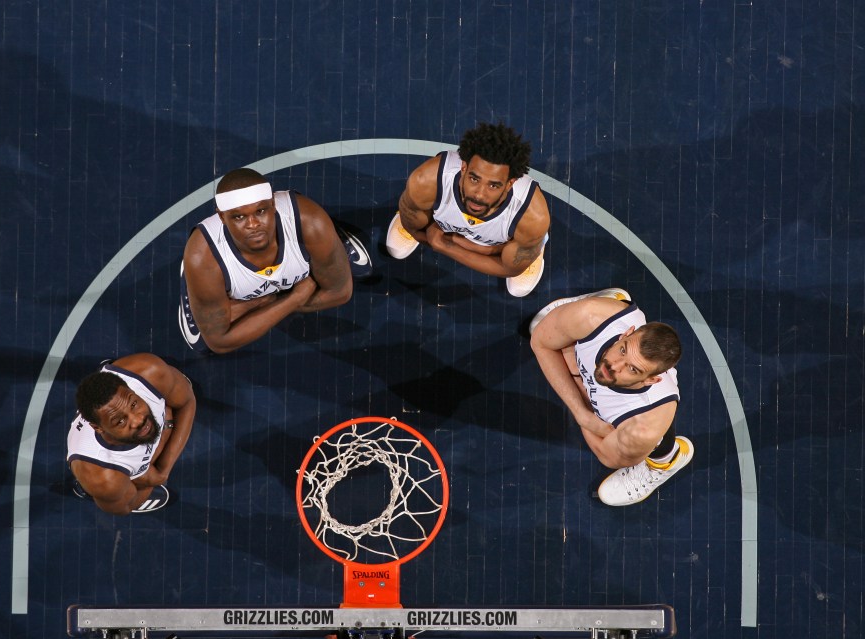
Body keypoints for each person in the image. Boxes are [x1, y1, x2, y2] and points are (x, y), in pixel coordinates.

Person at [529, 288, 694, 506]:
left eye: (632, 369)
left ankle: (666, 461)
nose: (613, 366)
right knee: (552, 326)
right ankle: (613, 301)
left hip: (642, 421)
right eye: (623, 350)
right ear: (627, 333)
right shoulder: (592, 316)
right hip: (601, 318)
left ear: (650, 380)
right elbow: (540, 342)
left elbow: (605, 454)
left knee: (650, 444)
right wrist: (582, 411)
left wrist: (569, 357)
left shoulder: (642, 426)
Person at [179, 168, 366, 353]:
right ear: (222, 217)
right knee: (203, 344)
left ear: (273, 203)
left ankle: (332, 238)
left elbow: (340, 293)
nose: (253, 224)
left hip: (309, 234)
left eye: (260, 211)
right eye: (239, 217)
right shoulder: (203, 258)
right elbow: (219, 342)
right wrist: (293, 298)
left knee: (343, 259)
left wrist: (248, 309)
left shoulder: (308, 221)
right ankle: (191, 284)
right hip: (218, 273)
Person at [385, 122, 551, 297]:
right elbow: (413, 227)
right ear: (463, 168)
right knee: (415, 218)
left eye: (493, 185)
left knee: (519, 264)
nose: (479, 194)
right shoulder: (426, 181)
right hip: (480, 238)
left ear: (510, 183)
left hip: (475, 237)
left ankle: (533, 250)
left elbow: (508, 268)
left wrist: (447, 246)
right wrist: (491, 252)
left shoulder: (532, 216)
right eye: (474, 179)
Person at [67, 353, 196, 515]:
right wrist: (144, 477)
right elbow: (127, 507)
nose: (138, 420)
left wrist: (162, 470)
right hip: (108, 474)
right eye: (120, 421)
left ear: (130, 388)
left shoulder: (148, 372)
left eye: (134, 403)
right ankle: (86, 487)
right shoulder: (105, 479)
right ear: (98, 428)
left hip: (125, 467)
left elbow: (187, 401)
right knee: (111, 492)